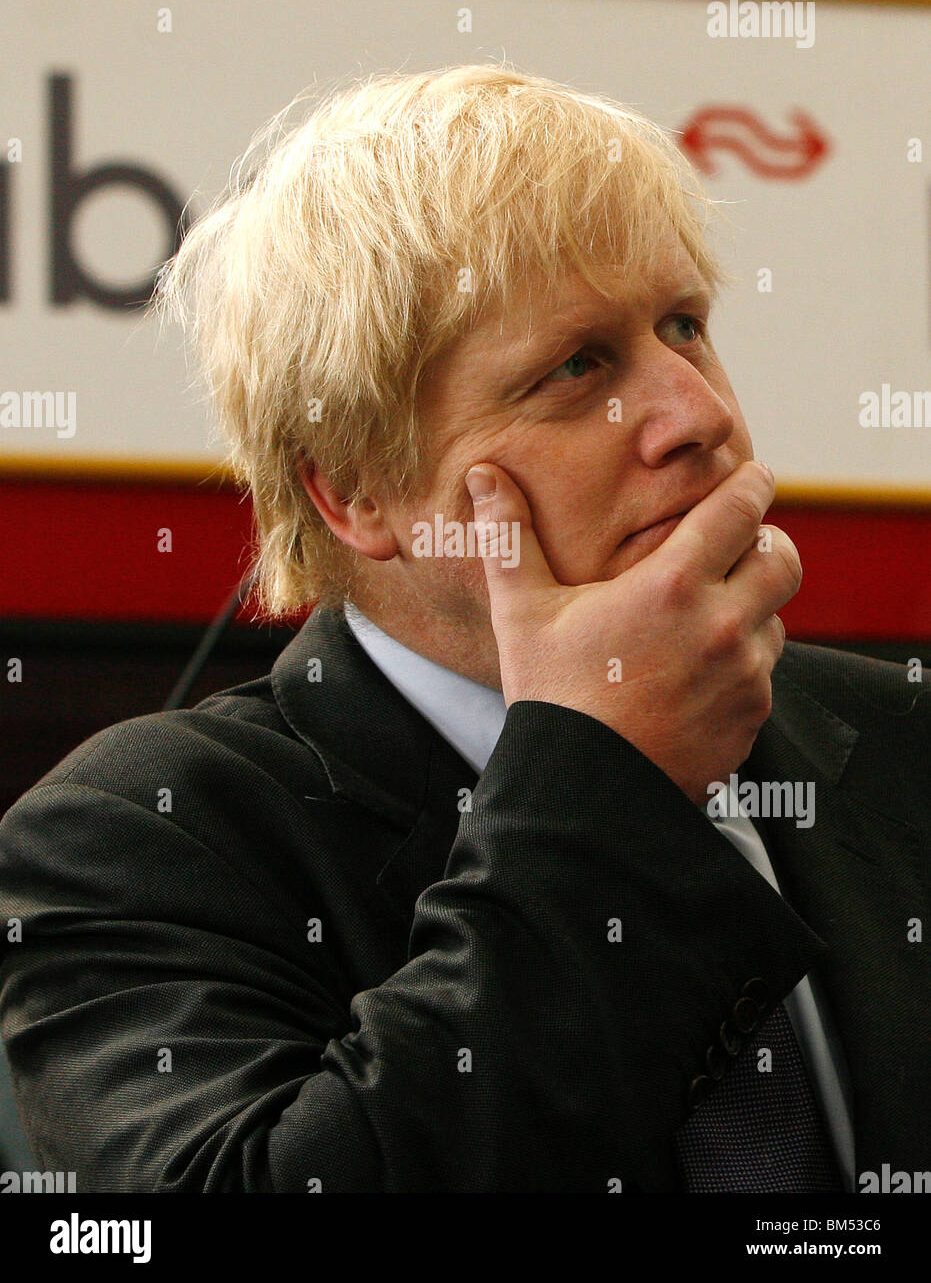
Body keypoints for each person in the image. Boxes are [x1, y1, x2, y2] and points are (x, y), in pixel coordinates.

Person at [0, 64, 928, 1193]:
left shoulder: (903, 744)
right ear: (356, 491)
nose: (700, 413)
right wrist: (608, 780)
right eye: (577, 367)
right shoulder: (137, 838)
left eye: (684, 325)